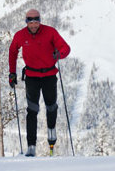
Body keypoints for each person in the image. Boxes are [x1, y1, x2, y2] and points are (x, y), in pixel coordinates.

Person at [8, 9, 71, 157]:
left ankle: (51, 130)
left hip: (49, 74)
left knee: (51, 106)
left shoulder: (50, 32)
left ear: (40, 21)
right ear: (26, 22)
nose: (34, 25)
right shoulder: (20, 35)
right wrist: (12, 73)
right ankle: (31, 145)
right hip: (31, 76)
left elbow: (66, 48)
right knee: (32, 110)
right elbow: (12, 51)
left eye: (36, 22)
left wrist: (59, 54)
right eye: (31, 22)